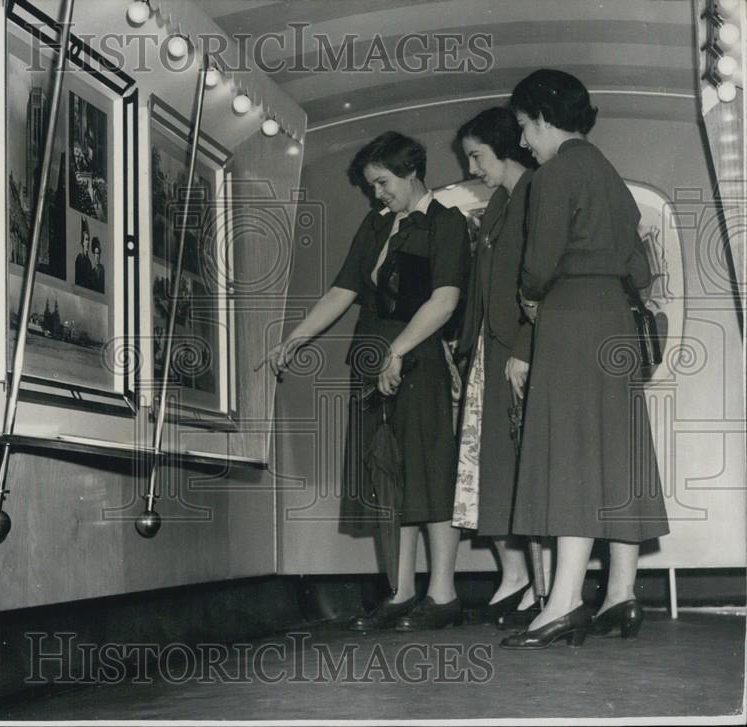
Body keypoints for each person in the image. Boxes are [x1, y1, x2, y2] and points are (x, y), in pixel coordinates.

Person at [262, 131, 469, 631]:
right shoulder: (376, 227)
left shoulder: (446, 223)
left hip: (417, 359)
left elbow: (444, 300)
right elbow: (342, 290)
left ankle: (442, 596)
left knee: (428, 473)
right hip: (371, 358)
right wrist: (295, 339)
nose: (377, 193)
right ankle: (400, 593)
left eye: (382, 183)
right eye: (372, 185)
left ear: (411, 171)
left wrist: (398, 351)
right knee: (384, 476)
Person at [500, 69, 669, 649]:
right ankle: (621, 593)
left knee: (570, 451)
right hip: (614, 320)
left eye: (524, 127)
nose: (523, 141)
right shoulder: (610, 176)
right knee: (616, 454)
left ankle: (564, 600)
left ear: (544, 118)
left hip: (570, 317)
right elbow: (641, 270)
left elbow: (539, 266)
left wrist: (529, 295)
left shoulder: (554, 175)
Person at [452, 107, 541, 628]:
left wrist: (525, 345)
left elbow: (537, 286)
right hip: (491, 350)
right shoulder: (502, 203)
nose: (472, 166)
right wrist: (464, 346)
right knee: (495, 471)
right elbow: (483, 289)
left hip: (517, 350)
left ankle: (534, 584)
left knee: (518, 468)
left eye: (477, 155)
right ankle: (518, 577)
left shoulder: (533, 196)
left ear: (505, 147)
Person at [74, 217, 95, 289]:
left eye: (88, 240)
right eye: (86, 240)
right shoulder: (79, 258)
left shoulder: (89, 262)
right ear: (82, 242)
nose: (88, 242)